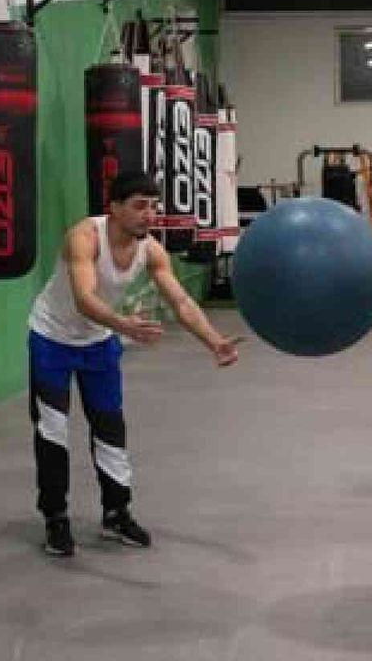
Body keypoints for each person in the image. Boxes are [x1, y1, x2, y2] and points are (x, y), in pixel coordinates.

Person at [27, 171, 241, 557]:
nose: (150, 215)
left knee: (110, 426)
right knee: (53, 430)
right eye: (139, 206)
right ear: (113, 208)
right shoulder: (84, 237)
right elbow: (84, 299)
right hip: (52, 339)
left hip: (98, 342)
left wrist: (214, 341)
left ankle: (116, 513)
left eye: (154, 207)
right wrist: (123, 324)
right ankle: (56, 519)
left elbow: (181, 302)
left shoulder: (151, 250)